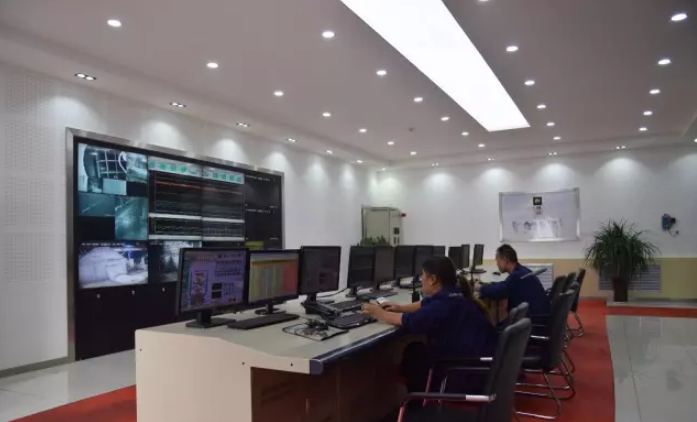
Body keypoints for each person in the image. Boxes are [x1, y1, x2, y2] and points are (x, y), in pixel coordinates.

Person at [362, 256, 497, 395]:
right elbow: (425, 304)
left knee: (413, 357)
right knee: (416, 350)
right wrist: (400, 307)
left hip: (465, 376)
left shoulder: (442, 306)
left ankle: (419, 402)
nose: (421, 280)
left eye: (423, 276)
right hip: (482, 368)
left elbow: (410, 320)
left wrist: (379, 313)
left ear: (433, 279)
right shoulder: (456, 295)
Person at [475, 244, 550, 323]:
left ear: (505, 260)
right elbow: (504, 285)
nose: (497, 264)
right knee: (499, 324)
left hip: (533, 320)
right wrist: (487, 285)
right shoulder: (521, 271)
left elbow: (499, 291)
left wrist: (479, 287)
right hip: (537, 316)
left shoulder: (517, 276)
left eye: (498, 260)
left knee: (496, 326)